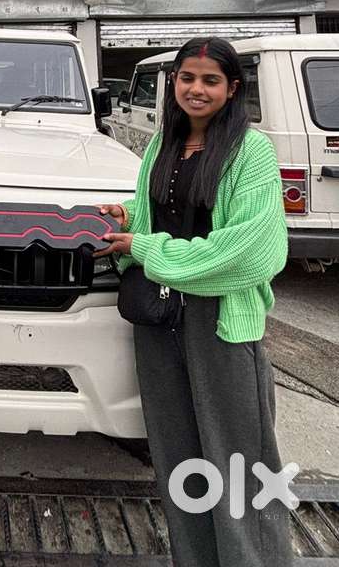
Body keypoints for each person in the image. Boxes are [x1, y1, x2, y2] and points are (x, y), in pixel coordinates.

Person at [97, 37, 291, 567]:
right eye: (187, 78)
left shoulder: (253, 152)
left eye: (210, 80)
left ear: (232, 89)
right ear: (173, 83)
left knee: (240, 463)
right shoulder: (162, 146)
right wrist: (129, 219)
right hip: (160, 320)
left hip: (221, 320)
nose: (196, 89)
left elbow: (255, 251)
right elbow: (159, 216)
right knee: (180, 456)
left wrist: (146, 247)